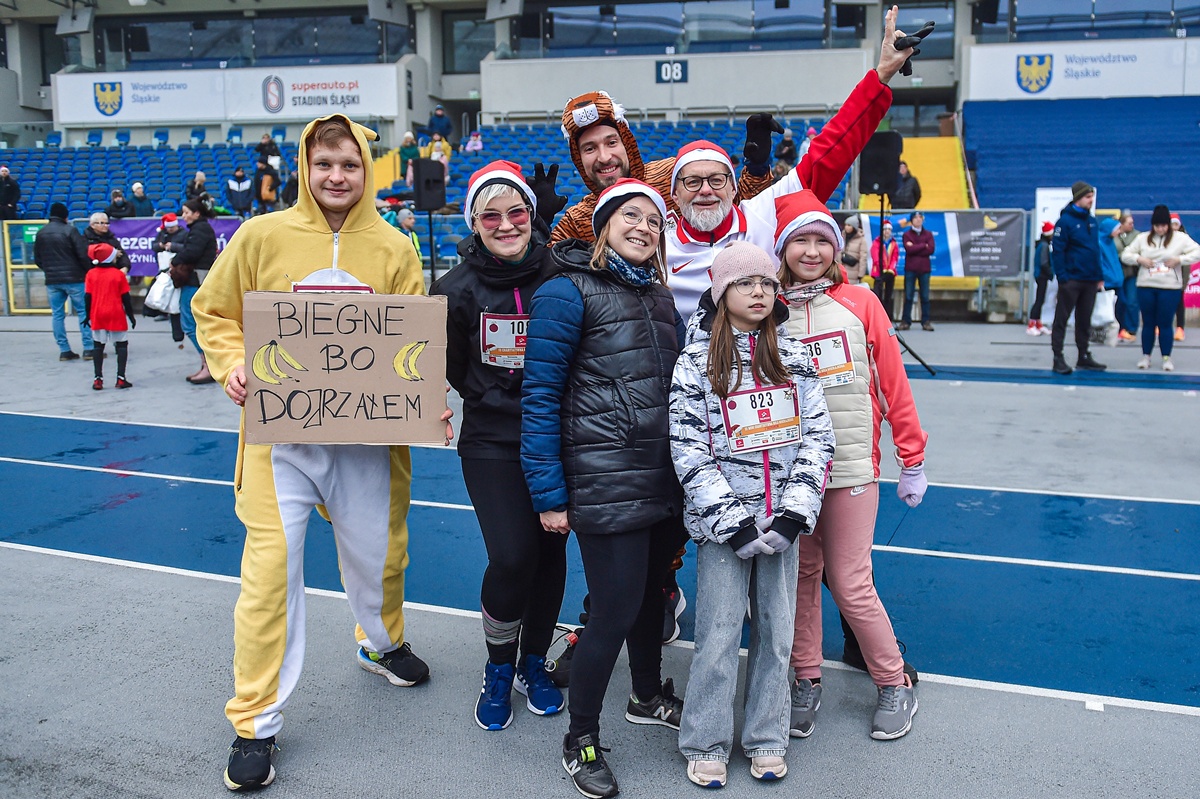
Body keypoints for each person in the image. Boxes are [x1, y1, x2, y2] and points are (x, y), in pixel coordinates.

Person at [193, 114, 447, 792]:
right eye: (324, 164)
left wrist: (424, 395)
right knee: (270, 576)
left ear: (367, 169)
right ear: (305, 168)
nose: (337, 176)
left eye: (350, 164)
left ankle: (381, 642)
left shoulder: (394, 246)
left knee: (380, 554)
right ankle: (256, 721)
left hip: (367, 444)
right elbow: (214, 311)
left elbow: (411, 340)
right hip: (281, 444)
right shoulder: (259, 235)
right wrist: (233, 363)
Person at [521, 179, 688, 799]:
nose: (644, 227)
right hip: (603, 479)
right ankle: (581, 738)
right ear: (604, 226)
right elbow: (540, 397)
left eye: (654, 220)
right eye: (631, 216)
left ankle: (645, 695)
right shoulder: (565, 292)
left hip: (662, 478)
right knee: (614, 608)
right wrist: (548, 493)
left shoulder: (661, 296)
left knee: (650, 598)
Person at [669, 241, 834, 788]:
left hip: (782, 525)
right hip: (725, 531)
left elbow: (819, 439)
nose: (759, 291)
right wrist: (733, 523)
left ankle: (767, 737)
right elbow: (688, 448)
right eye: (745, 283)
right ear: (721, 294)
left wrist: (792, 517)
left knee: (776, 635)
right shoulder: (695, 363)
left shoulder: (797, 357)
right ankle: (705, 741)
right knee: (717, 636)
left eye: (767, 282)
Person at [776, 190, 927, 743]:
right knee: (800, 580)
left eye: (822, 241)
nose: (811, 251)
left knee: (851, 582)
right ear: (782, 249)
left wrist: (912, 457)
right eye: (800, 240)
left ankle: (892, 682)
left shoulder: (861, 302)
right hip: (792, 475)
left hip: (851, 470)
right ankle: (806, 678)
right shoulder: (767, 308)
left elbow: (893, 382)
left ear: (836, 248)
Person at [430, 161, 568, 732]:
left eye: (517, 212)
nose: (506, 224)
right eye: (491, 216)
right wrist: (490, 395)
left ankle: (533, 662)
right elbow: (447, 366)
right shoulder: (452, 290)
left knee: (551, 556)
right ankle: (498, 665)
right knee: (513, 556)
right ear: (474, 223)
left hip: (559, 438)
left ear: (532, 216)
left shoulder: (563, 273)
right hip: (492, 439)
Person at [545, 90, 771, 243]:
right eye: (589, 148)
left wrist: (757, 170)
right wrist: (539, 223)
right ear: (578, 158)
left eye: (611, 143)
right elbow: (544, 270)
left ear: (627, 143)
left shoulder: (672, 175)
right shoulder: (578, 221)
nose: (604, 157)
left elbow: (739, 209)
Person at [1119, 204, 1200, 372]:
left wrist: (1179, 260)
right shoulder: (1142, 238)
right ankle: (1146, 356)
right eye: (1157, 226)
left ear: (1168, 225)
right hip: (1146, 286)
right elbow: (1126, 254)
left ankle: (1166, 358)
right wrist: (1140, 259)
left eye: (1163, 226)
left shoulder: (1180, 238)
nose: (1160, 229)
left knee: (1165, 323)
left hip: (1170, 288)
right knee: (1148, 323)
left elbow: (1197, 252)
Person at [1050, 181, 1106, 375]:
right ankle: (1058, 356)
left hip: (1090, 279)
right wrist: (1063, 277)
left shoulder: (1092, 221)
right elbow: (1058, 251)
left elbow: (1095, 250)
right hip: (1072, 279)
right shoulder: (1065, 222)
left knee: (1084, 319)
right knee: (1062, 318)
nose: (1091, 200)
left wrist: (1099, 275)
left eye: (1092, 197)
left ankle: (1083, 355)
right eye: (1088, 197)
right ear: (1078, 198)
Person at [162, 198, 217, 384]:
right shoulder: (201, 228)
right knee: (193, 323)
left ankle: (208, 364)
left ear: (197, 213)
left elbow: (192, 252)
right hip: (198, 280)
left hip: (195, 281)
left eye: (186, 212)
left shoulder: (200, 229)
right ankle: (207, 364)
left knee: (190, 324)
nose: (183, 216)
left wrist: (175, 261)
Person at [34, 202, 94, 361]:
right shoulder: (70, 230)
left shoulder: (41, 233)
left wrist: (49, 270)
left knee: (57, 315)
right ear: (65, 217)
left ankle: (64, 350)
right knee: (84, 312)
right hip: (75, 278)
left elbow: (37, 259)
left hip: (52, 280)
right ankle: (89, 348)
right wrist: (87, 270)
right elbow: (82, 254)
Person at [83, 242, 136, 390]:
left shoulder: (91, 274)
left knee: (98, 346)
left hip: (98, 313)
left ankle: (98, 379)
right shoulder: (118, 274)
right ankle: (121, 378)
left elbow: (87, 297)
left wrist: (87, 315)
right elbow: (126, 298)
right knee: (121, 345)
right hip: (116, 313)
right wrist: (131, 316)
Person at [152, 212, 188, 344]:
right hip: (164, 270)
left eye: (172, 227)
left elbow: (187, 249)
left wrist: (173, 247)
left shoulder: (184, 234)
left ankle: (181, 330)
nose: (170, 230)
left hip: (179, 270)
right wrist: (161, 246)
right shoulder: (162, 233)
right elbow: (154, 246)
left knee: (177, 302)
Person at [899, 210, 935, 331]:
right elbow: (909, 250)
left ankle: (926, 321)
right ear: (911, 220)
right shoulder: (907, 235)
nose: (918, 219)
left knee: (925, 296)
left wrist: (915, 246)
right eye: (916, 217)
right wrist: (923, 245)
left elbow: (931, 249)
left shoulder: (928, 234)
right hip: (910, 269)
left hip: (924, 269)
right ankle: (905, 321)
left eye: (920, 217)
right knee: (908, 296)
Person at [1113, 212, 1139, 341]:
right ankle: (1119, 326)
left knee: (1132, 301)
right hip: (1118, 272)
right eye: (1129, 223)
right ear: (1121, 224)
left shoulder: (1137, 236)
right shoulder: (1114, 235)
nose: (1132, 225)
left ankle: (1131, 328)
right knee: (1120, 301)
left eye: (1132, 223)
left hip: (1132, 272)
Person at [1028, 221, 1054, 336]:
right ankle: (1031, 325)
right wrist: (1050, 272)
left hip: (1041, 275)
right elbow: (1044, 262)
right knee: (1039, 300)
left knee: (1040, 299)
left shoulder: (1042, 244)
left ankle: (1038, 324)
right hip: (1042, 276)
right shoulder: (1044, 246)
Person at [871, 219, 898, 318]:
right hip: (879, 272)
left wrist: (890, 268)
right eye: (885, 229)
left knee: (888, 295)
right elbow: (875, 257)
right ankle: (877, 316)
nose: (887, 231)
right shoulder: (877, 242)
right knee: (878, 294)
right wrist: (881, 267)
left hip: (890, 272)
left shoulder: (894, 243)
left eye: (889, 229)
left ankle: (887, 316)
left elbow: (895, 257)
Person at [840, 214, 870, 284]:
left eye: (849, 225)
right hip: (841, 270)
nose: (846, 227)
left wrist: (861, 274)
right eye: (846, 225)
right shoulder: (841, 237)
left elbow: (863, 257)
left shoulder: (861, 240)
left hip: (854, 271)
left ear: (854, 227)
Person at [1171, 214, 1188, 342]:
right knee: (1162, 303)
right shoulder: (1162, 239)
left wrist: (1184, 282)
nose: (1173, 227)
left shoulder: (1185, 240)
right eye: (1171, 224)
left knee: (1179, 303)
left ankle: (1180, 328)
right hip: (1164, 277)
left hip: (1179, 277)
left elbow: (1187, 264)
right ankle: (1161, 325)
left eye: (1176, 224)